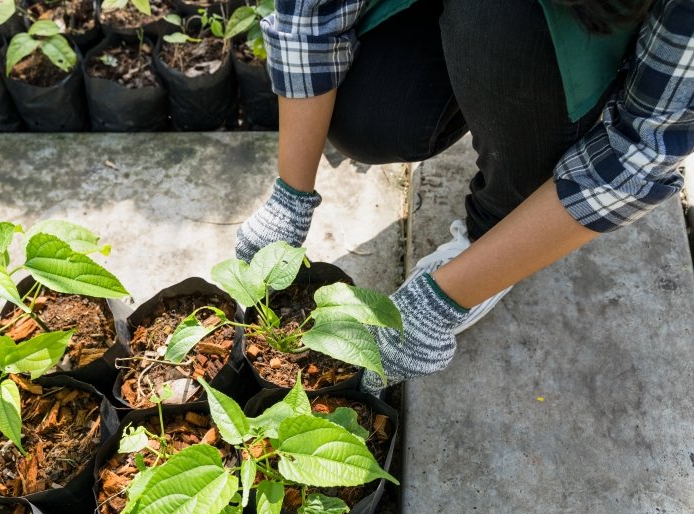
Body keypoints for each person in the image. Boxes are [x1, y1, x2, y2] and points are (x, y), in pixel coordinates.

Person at [234, 0, 694, 394]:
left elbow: (639, 149)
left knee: (498, 26)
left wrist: (444, 300)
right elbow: (312, 11)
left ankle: (498, 223)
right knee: (370, 116)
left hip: (546, 31)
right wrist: (290, 195)